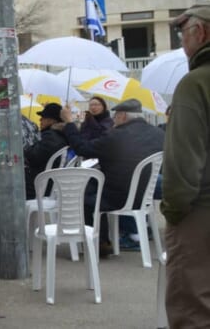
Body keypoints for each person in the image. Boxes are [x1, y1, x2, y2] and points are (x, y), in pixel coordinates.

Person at [60, 98, 164, 257]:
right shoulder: (159, 134)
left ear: (122, 116)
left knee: (86, 196)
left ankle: (99, 243)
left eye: (115, 116)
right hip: (147, 196)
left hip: (121, 197)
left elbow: (82, 148)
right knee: (95, 187)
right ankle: (131, 234)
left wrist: (69, 123)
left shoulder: (116, 136)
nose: (114, 120)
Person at [160, 0, 210, 327]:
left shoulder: (195, 84)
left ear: (202, 32)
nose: (181, 43)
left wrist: (173, 213)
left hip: (200, 214)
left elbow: (182, 163)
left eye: (183, 34)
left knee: (193, 309)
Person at [23, 103, 68, 200]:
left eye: (43, 117)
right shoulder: (62, 135)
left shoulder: (50, 136)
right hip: (53, 184)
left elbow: (34, 157)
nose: (40, 120)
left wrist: (27, 148)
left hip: (41, 186)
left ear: (51, 120)